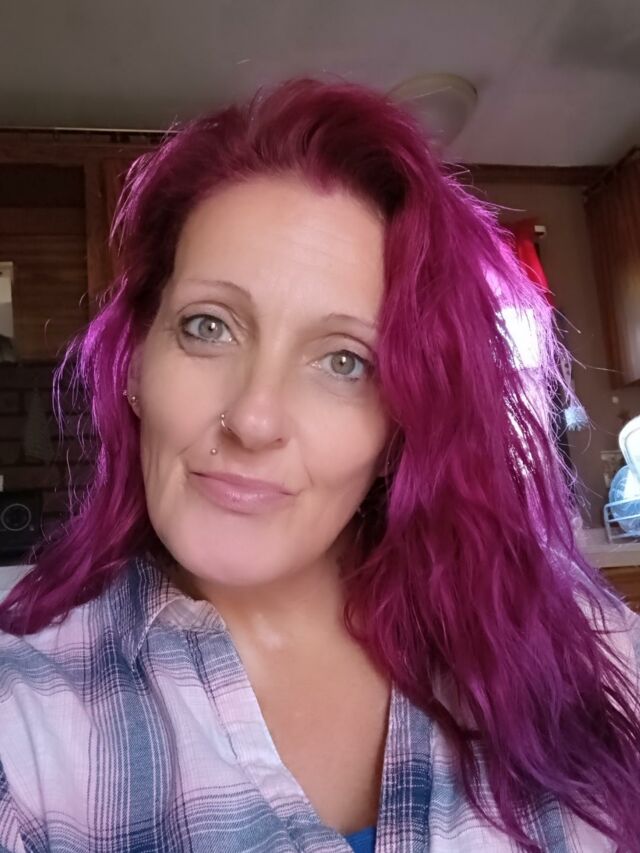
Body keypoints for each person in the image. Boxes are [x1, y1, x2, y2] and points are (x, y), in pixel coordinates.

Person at [0, 77, 638, 853]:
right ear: (135, 360)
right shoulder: (25, 727)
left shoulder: (585, 642)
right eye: (208, 326)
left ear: (401, 422)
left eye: (344, 361)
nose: (255, 419)